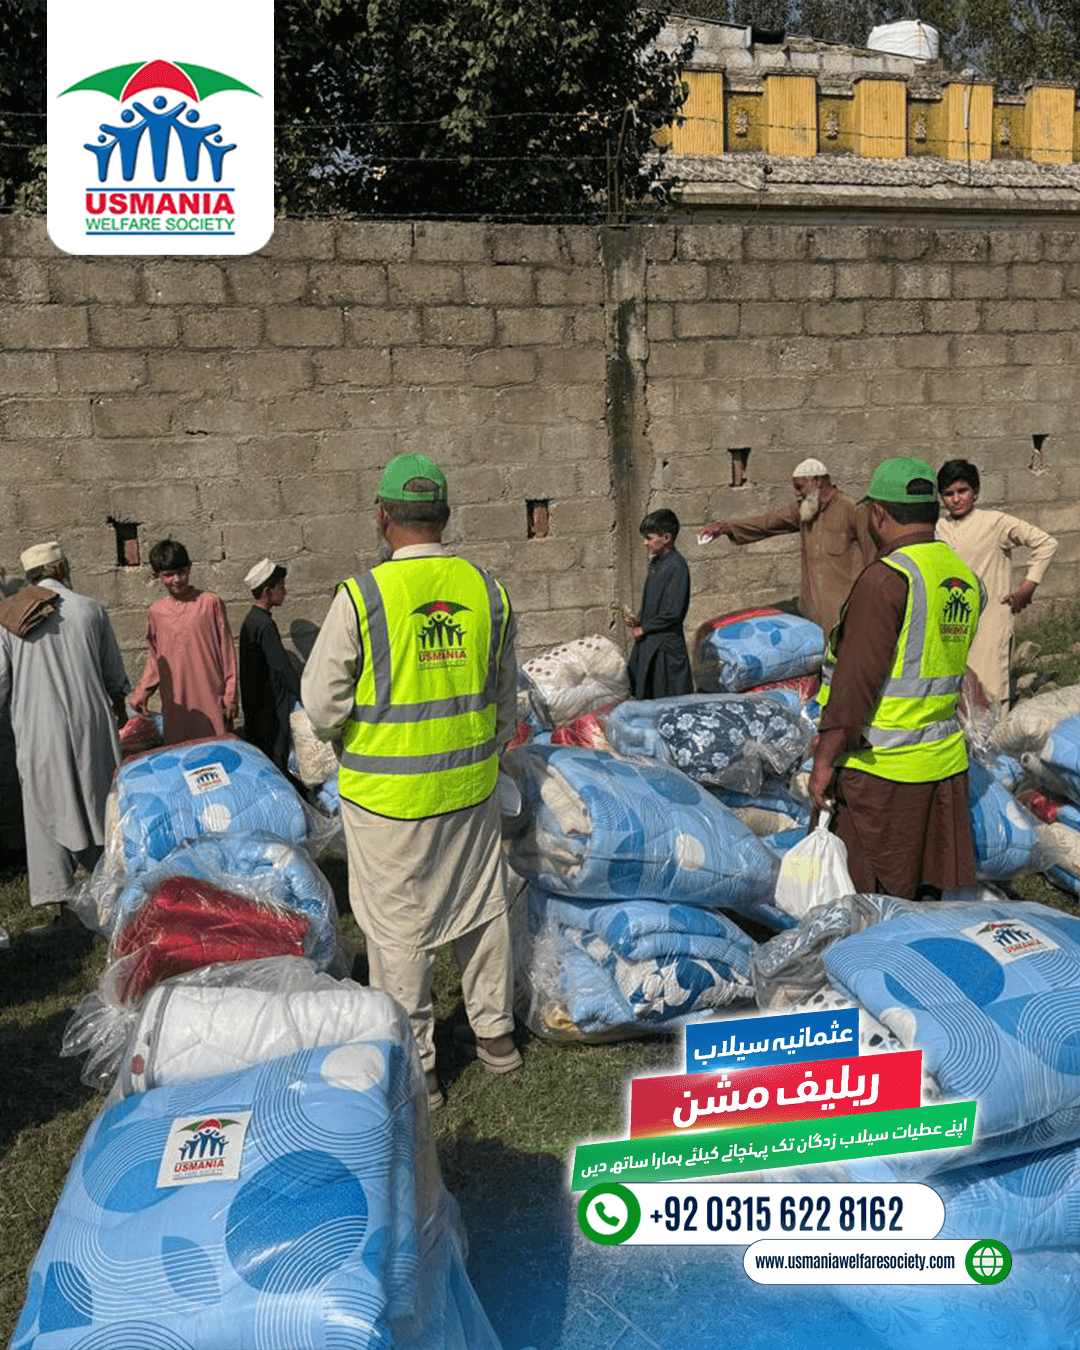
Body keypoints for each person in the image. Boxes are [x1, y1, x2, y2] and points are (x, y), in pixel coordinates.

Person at [301, 453, 520, 1108]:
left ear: (383, 517)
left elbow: (322, 707)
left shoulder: (362, 598)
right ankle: (496, 1038)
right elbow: (505, 700)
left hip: (387, 801)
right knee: (481, 910)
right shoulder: (488, 592)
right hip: (470, 791)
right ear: (445, 516)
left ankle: (420, 1068)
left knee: (398, 933)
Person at [808, 458, 983, 901]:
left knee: (865, 904)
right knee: (919, 898)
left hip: (882, 774)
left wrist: (824, 761)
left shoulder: (887, 579)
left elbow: (853, 687)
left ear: (878, 514)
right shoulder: (963, 577)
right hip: (942, 766)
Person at [0, 542, 129, 923]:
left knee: (44, 808)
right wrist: (120, 706)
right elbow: (114, 676)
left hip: (39, 730)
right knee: (101, 804)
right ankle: (113, 894)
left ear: (31, 577)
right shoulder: (91, 608)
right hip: (92, 725)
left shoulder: (8, 619)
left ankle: (63, 906)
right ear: (60, 570)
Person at [700, 457, 874, 637]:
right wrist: (726, 528)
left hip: (845, 615)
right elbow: (766, 523)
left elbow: (873, 559)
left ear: (816, 481)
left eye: (800, 487)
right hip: (811, 615)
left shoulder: (853, 509)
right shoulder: (804, 510)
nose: (797, 494)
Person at [936, 458, 1058, 714]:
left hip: (989, 620)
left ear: (976, 491)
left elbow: (1046, 543)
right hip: (951, 621)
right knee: (954, 694)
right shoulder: (939, 528)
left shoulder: (995, 522)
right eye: (948, 494)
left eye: (962, 491)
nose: (956, 499)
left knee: (991, 692)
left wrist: (1028, 586)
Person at [130, 539, 238, 745]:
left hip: (211, 697)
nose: (177, 580)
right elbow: (156, 659)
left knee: (216, 751)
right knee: (181, 755)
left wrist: (230, 695)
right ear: (157, 576)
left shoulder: (209, 603)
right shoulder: (156, 612)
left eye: (181, 572)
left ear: (189, 568)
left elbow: (227, 653)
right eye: (169, 575)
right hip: (177, 704)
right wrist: (142, 692)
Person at [238, 558, 302, 776]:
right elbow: (282, 667)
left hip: (258, 712)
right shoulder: (264, 625)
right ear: (267, 591)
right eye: (281, 587)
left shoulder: (252, 621)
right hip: (271, 712)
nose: (285, 592)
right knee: (278, 762)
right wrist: (304, 696)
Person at [625, 508, 694, 699]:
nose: (645, 543)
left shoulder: (677, 565)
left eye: (649, 538)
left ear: (666, 537)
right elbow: (653, 602)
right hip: (649, 644)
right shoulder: (657, 563)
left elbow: (673, 612)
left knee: (666, 700)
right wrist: (639, 620)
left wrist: (645, 628)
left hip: (665, 649)